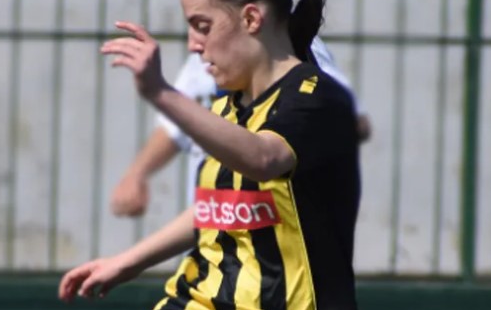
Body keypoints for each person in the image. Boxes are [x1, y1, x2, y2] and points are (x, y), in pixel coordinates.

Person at [59, 0, 362, 310]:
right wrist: (127, 262)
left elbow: (263, 158)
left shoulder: (316, 98)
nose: (193, 44)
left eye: (202, 26)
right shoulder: (225, 109)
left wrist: (161, 92)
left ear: (252, 18)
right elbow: (218, 207)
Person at [110, 35, 371, 218]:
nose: (193, 41)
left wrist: (273, 144)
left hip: (274, 247)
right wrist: (136, 174)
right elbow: (176, 125)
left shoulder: (298, 51)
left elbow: (348, 118)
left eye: (202, 23)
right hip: (217, 235)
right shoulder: (207, 55)